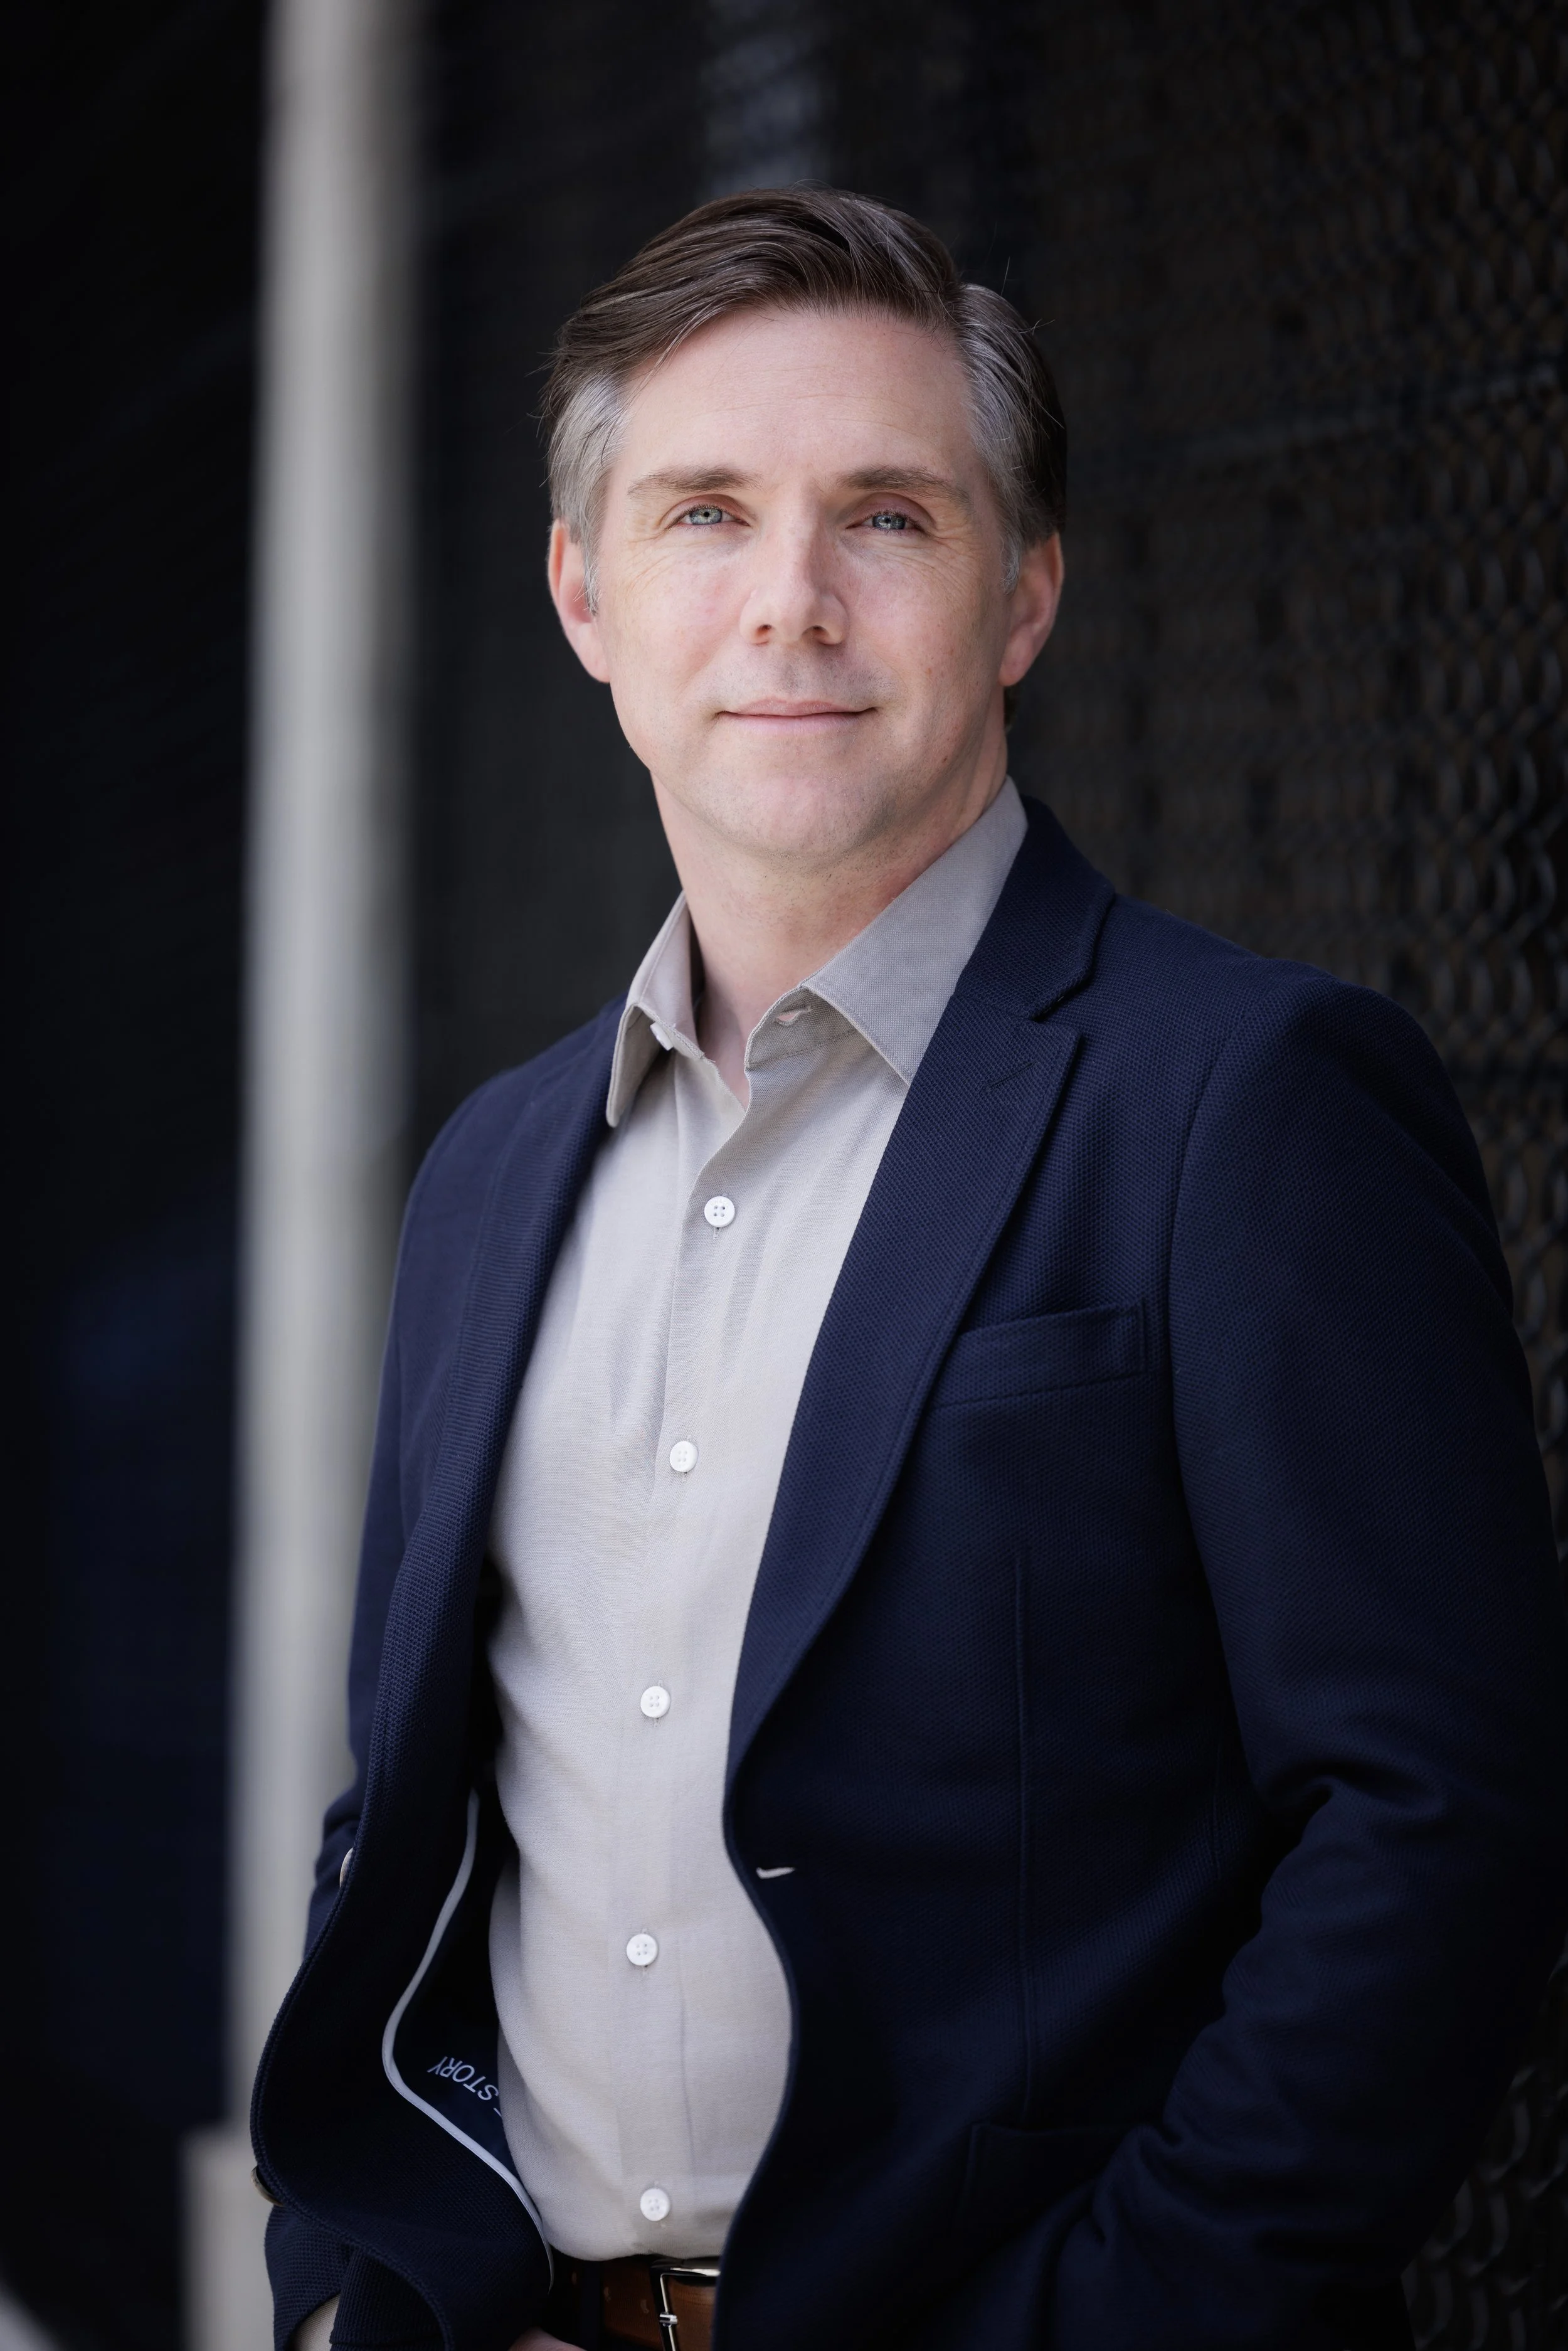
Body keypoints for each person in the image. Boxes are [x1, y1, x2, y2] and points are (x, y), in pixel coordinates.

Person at [254, 188, 1568, 2351]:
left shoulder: (1246, 1099)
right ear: (586, 594)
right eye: (701, 515)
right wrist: (355, 2278)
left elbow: (1439, 1827)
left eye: (887, 515)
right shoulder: (493, 1167)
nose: (790, 602)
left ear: (1023, 591)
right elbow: (410, 1794)